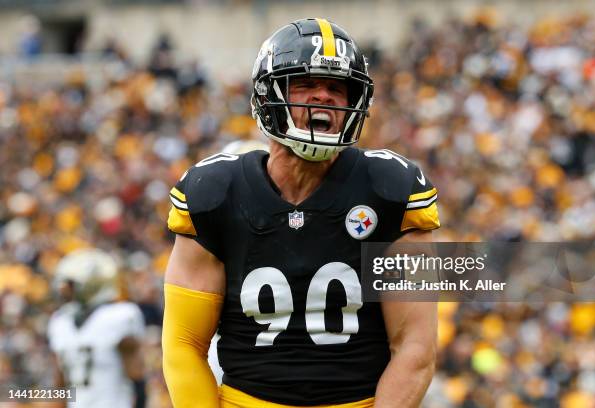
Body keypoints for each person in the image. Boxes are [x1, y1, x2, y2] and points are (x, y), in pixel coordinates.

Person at [163, 18, 440, 408]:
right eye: (307, 84)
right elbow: (183, 344)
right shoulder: (215, 191)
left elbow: (415, 347)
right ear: (267, 95)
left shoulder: (392, 189)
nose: (324, 97)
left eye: (336, 88)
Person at [48, 248, 147, 408]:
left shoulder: (119, 316)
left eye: (71, 284)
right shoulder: (60, 321)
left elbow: (137, 379)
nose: (64, 290)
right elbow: (60, 385)